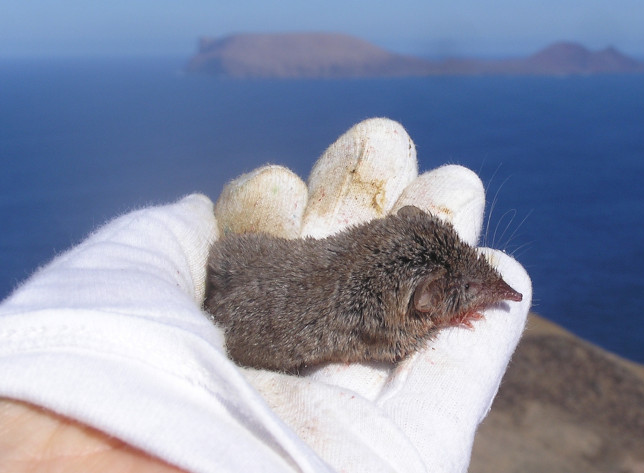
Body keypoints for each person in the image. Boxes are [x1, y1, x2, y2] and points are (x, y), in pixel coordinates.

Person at [0, 119, 531, 473]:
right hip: (250, 335)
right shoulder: (385, 325)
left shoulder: (387, 284)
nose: (495, 292)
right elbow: (392, 342)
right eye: (467, 292)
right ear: (423, 305)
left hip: (246, 266)